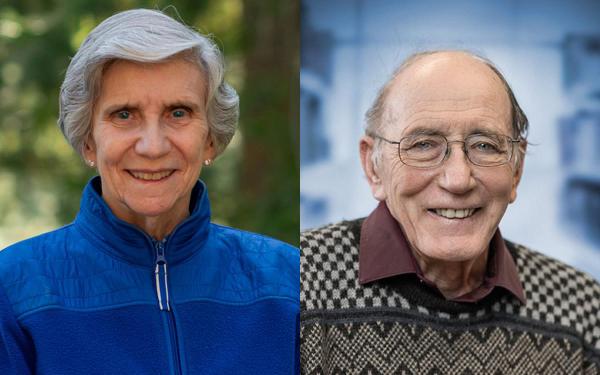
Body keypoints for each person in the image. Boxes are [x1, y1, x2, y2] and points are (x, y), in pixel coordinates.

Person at [0, 9, 299, 374]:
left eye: (178, 112)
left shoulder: (291, 282)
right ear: (88, 141)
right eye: (124, 115)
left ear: (209, 140)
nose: (153, 146)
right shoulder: (14, 291)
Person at [300, 50, 600, 374]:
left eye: (485, 145)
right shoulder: (301, 283)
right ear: (373, 167)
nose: (458, 180)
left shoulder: (581, 308)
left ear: (516, 169)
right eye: (423, 145)